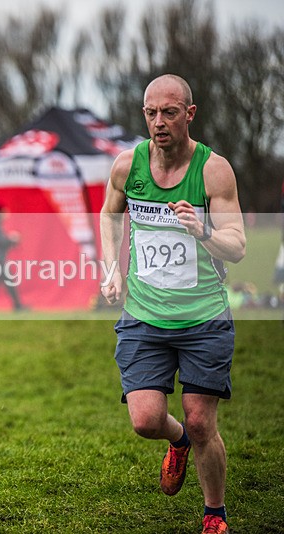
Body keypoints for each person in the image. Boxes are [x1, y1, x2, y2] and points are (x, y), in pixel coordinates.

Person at [100, 74, 245, 534]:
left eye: (168, 112)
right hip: (144, 317)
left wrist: (203, 231)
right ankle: (175, 440)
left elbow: (238, 245)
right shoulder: (128, 165)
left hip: (203, 319)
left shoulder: (212, 170)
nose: (158, 122)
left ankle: (214, 514)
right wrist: (112, 267)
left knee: (203, 422)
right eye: (150, 113)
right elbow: (108, 214)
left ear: (189, 113)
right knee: (145, 420)